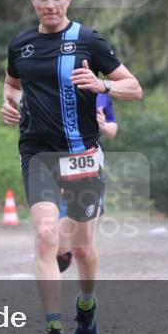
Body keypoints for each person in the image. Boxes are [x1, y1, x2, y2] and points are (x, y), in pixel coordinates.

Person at [1, 0, 142, 334]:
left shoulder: (88, 41)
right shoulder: (21, 45)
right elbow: (12, 86)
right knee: (46, 234)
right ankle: (53, 332)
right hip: (38, 153)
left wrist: (103, 85)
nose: (50, 5)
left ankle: (86, 307)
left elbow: (134, 88)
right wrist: (8, 105)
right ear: (33, 0)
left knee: (81, 250)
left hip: (82, 156)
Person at [56, 92, 116, 273]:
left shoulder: (100, 94)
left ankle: (86, 297)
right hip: (57, 165)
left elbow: (112, 129)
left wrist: (103, 126)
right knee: (59, 250)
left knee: (84, 248)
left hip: (89, 170)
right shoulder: (53, 88)